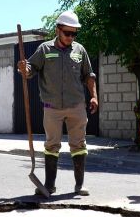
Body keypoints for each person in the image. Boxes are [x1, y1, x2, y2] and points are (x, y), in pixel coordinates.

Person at [18, 10, 98, 197]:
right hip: (52, 107)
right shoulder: (45, 49)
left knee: (79, 144)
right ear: (58, 30)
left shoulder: (80, 50)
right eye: (67, 33)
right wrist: (24, 68)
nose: (71, 37)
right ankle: (49, 186)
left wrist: (94, 96)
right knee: (52, 145)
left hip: (76, 105)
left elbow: (89, 75)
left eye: (74, 34)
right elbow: (30, 70)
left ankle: (79, 186)